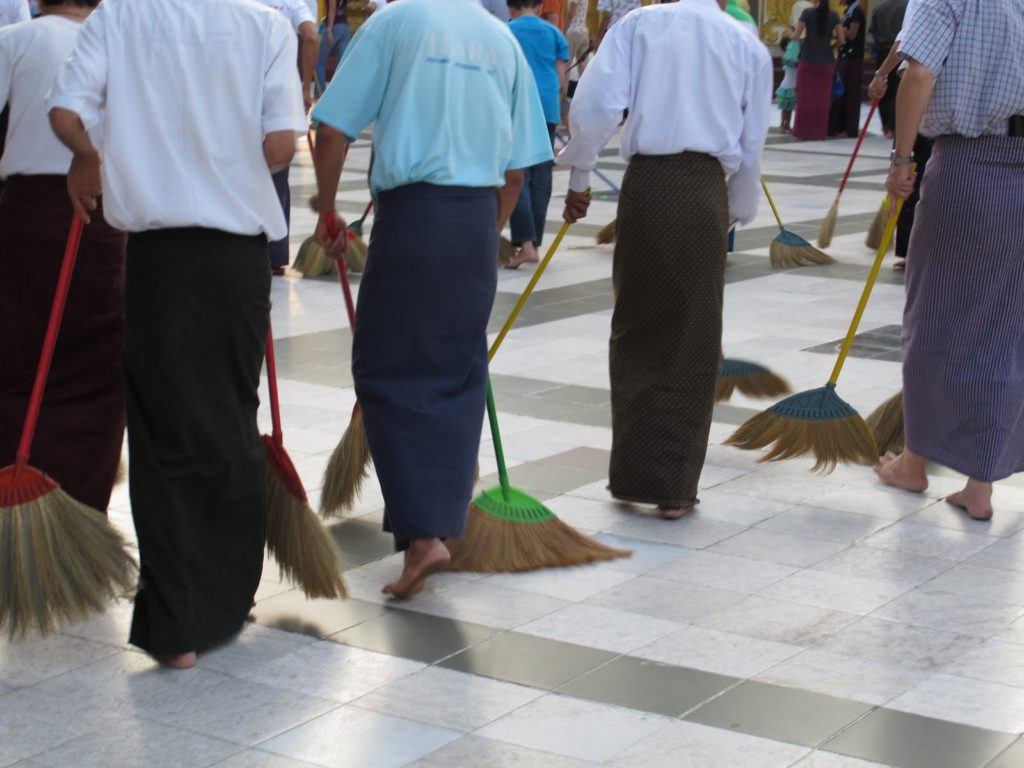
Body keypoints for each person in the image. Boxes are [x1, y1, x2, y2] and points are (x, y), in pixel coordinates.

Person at [47, 0, 306, 668]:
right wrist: (220, 154)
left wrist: (90, 156)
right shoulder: (265, 24)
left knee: (160, 432)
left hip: (158, 260)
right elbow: (280, 144)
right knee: (226, 416)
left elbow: (67, 114)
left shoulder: (118, 17)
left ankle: (174, 627)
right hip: (233, 260)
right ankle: (224, 596)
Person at [310, 0, 552, 598]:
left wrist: (326, 208)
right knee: (457, 367)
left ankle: (426, 534)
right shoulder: (501, 39)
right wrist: (485, 232)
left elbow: (334, 126)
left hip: (414, 215)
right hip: (474, 220)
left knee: (384, 367)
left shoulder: (395, 22)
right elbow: (517, 172)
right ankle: (444, 506)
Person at [558, 0, 772, 519]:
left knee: (637, 325)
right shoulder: (746, 43)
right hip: (704, 192)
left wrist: (580, 176)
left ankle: (634, 476)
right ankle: (674, 488)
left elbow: (595, 106)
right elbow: (752, 139)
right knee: (694, 334)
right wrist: (735, 210)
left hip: (649, 186)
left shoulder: (640, 25)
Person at [875, 0, 1024, 522]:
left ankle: (914, 464)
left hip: (970, 163)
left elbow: (919, 71)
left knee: (934, 315)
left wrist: (901, 158)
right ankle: (978, 485)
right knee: (1008, 326)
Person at [0, 0, 125, 517]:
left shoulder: (17, 39)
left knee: (16, 366)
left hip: (29, 222)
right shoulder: (122, 44)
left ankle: (18, 522)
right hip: (109, 220)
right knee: (97, 371)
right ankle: (79, 518)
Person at [505, 0, 569, 270]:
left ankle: (526, 243)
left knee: (517, 174)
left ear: (509, 6)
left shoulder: (506, 30)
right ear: (540, 5)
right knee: (541, 176)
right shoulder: (553, 32)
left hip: (517, 106)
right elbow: (562, 79)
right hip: (547, 106)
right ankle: (535, 242)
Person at [260, 0, 317, 276]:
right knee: (278, 174)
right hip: (280, 93)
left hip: (240, 91)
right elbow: (311, 36)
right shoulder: (291, 3)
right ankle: (275, 255)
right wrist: (306, 86)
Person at [869, 0, 926, 270]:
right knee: (921, 174)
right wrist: (881, 75)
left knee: (911, 171)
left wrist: (881, 75)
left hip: (923, 97)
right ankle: (910, 247)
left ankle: (909, 248)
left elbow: (904, 47)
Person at [792, 0, 842, 141]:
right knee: (823, 99)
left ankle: (801, 132)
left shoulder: (807, 13)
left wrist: (790, 37)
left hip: (807, 58)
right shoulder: (834, 15)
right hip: (826, 61)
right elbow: (842, 38)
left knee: (804, 97)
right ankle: (819, 132)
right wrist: (832, 46)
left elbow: (797, 34)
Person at [869, 0, 908, 138]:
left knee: (884, 90)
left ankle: (886, 127)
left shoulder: (879, 7)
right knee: (899, 89)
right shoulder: (908, 5)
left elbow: (872, 30)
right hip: (900, 52)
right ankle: (894, 126)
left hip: (882, 51)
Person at [829, 0, 865, 138]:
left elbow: (852, 34)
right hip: (845, 54)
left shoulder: (856, 11)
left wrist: (841, 29)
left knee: (849, 93)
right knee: (840, 92)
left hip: (853, 56)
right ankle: (837, 126)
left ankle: (848, 128)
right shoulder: (848, 10)